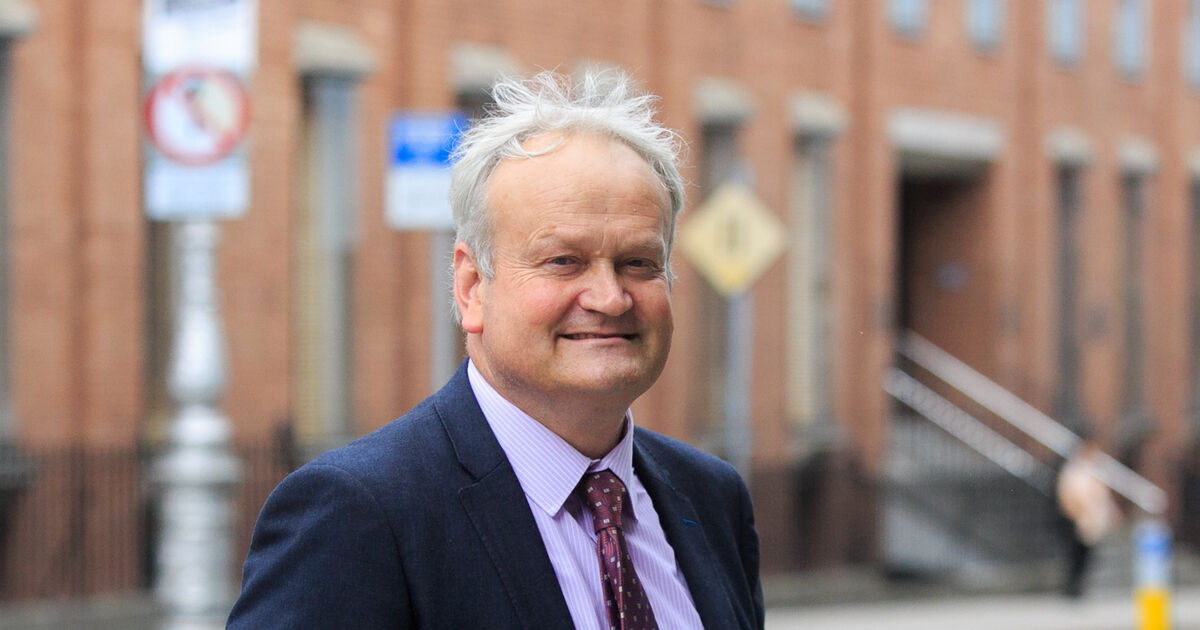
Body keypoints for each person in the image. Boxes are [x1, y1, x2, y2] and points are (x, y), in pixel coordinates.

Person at [227, 70, 765, 629]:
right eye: (563, 261)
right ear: (471, 288)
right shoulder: (359, 513)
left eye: (639, 263)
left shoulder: (711, 499)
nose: (610, 297)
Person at [1056, 439, 1120, 598]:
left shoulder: (1095, 471)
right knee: (1076, 554)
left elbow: (1102, 496)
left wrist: (1112, 512)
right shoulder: (1074, 471)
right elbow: (1068, 495)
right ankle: (1071, 587)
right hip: (1077, 518)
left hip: (1092, 519)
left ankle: (1080, 585)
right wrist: (1075, 514)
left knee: (1088, 554)